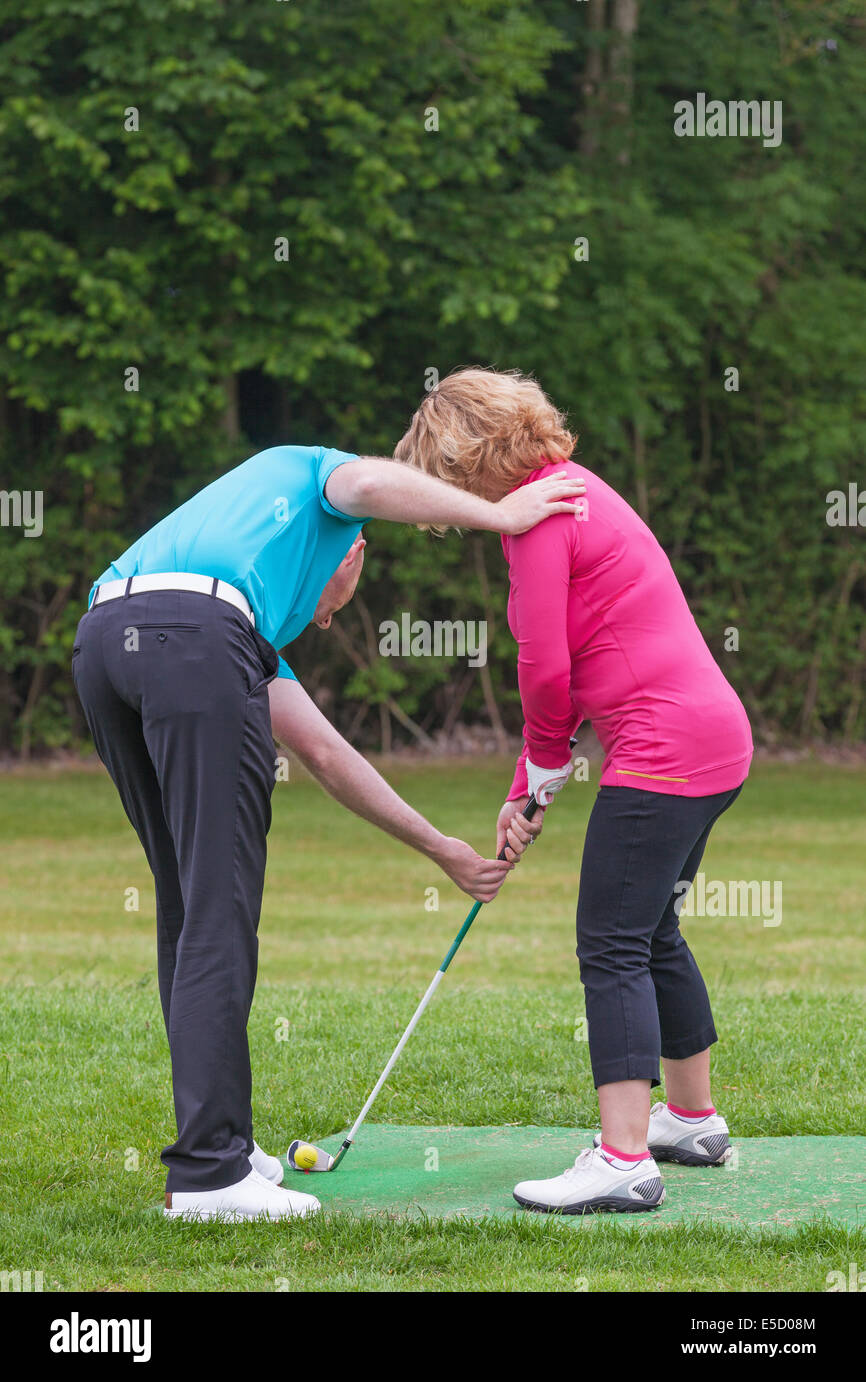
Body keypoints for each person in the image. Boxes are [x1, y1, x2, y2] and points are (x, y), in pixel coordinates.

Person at [72, 441, 583, 1222]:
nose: (329, 613)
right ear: (355, 549)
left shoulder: (239, 608)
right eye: (339, 601)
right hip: (192, 643)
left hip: (106, 642)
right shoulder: (314, 481)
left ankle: (223, 1147)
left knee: (186, 905)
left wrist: (440, 849)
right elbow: (375, 479)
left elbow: (323, 752)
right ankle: (209, 1176)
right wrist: (499, 514)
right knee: (216, 909)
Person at [394, 369, 753, 1215]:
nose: (456, 507)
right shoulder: (577, 488)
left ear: (474, 457)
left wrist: (544, 764)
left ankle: (625, 1157)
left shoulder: (538, 520)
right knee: (653, 925)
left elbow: (545, 666)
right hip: (715, 741)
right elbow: (585, 665)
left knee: (613, 943)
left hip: (662, 752)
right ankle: (692, 1120)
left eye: (449, 483)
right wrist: (532, 782)